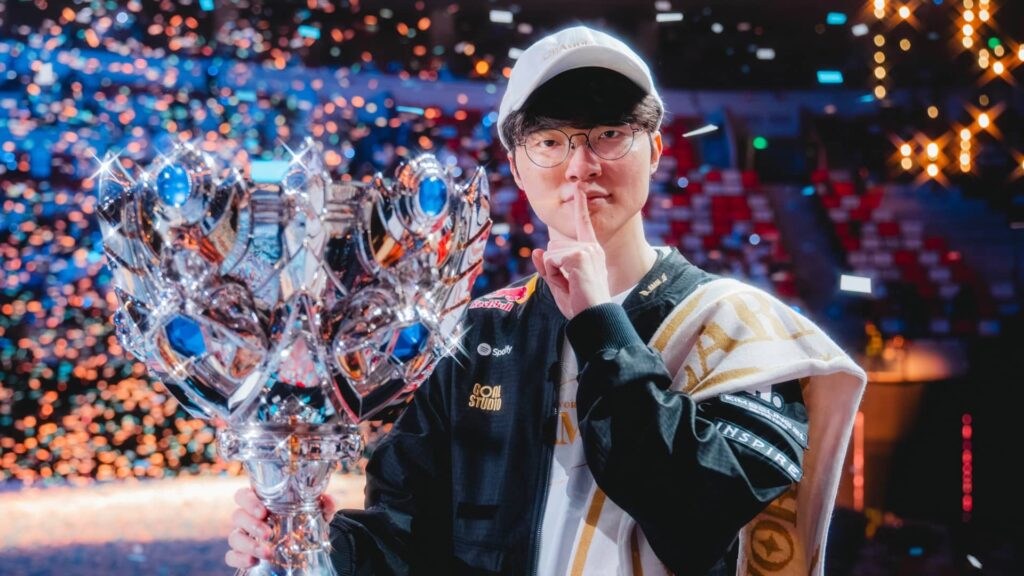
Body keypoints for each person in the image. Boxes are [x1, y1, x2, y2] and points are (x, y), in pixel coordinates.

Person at [226, 25, 866, 575]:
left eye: (610, 134)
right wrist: (312, 535)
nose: (580, 165)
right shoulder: (472, 333)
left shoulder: (744, 330)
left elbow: (698, 515)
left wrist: (600, 326)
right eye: (551, 141)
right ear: (516, 163)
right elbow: (414, 539)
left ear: (656, 149)